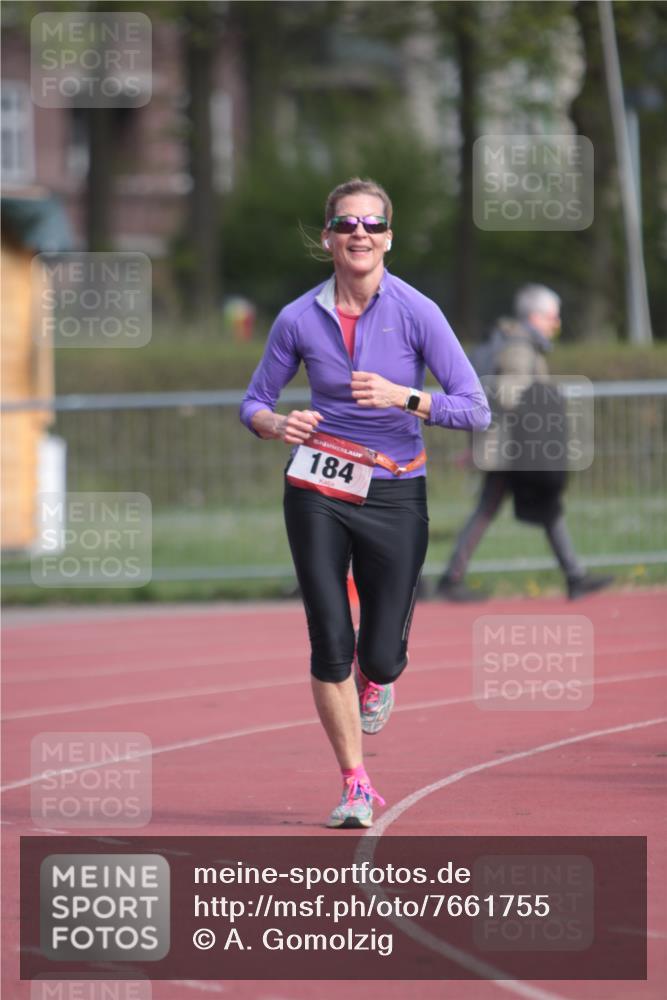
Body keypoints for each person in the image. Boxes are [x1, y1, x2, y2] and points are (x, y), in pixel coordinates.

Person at [240, 177, 490, 828]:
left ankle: (378, 677)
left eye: (372, 224)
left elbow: (475, 408)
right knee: (328, 641)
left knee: (377, 654)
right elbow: (253, 403)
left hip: (394, 490)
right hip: (317, 485)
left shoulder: (416, 312)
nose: (359, 234)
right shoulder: (298, 317)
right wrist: (275, 425)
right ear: (327, 238)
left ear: (388, 238)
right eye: (346, 224)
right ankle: (354, 783)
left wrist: (403, 396)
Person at [434, 284, 613, 602]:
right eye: (552, 317)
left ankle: (574, 576)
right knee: (494, 509)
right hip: (513, 450)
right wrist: (542, 406)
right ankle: (451, 579)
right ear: (535, 316)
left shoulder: (523, 344)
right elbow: (508, 395)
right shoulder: (520, 348)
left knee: (545, 509)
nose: (556, 324)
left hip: (517, 448)